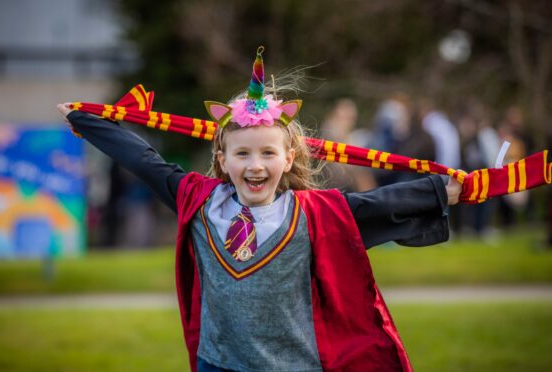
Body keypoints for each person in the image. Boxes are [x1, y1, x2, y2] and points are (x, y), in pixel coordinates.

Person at [58, 47, 461, 372]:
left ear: (288, 158)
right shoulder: (200, 203)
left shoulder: (314, 215)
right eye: (243, 153)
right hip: (218, 364)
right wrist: (87, 120)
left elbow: (380, 204)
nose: (255, 165)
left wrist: (444, 191)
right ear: (223, 158)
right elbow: (144, 160)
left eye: (268, 152)